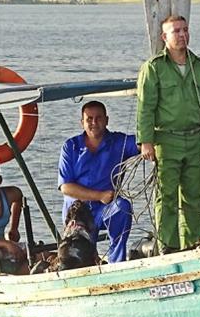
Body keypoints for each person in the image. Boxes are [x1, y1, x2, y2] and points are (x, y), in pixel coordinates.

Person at [136, 15, 200, 253]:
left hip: (195, 139)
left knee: (194, 196)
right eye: (176, 31)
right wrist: (146, 141)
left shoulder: (199, 66)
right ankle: (168, 247)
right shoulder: (154, 67)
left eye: (185, 30)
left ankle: (194, 245)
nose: (182, 35)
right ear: (164, 37)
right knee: (166, 197)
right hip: (166, 139)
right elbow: (145, 106)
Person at [58, 101, 140, 262]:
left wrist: (148, 145)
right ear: (82, 122)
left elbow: (143, 141)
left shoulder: (118, 142)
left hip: (105, 209)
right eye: (89, 119)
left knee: (122, 206)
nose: (94, 123)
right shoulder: (71, 146)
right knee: (79, 253)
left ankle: (116, 262)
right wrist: (99, 195)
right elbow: (66, 187)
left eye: (98, 118)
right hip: (78, 212)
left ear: (107, 120)